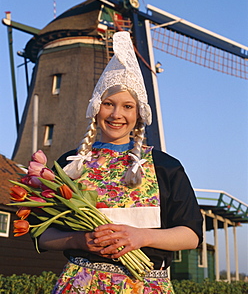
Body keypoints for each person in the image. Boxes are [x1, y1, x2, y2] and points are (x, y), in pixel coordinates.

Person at [38, 31, 203, 293]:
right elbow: (44, 235)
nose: (117, 114)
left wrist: (142, 236)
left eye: (127, 106)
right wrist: (81, 241)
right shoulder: (69, 165)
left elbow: (191, 234)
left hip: (145, 285)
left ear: (139, 113)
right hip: (82, 284)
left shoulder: (164, 166)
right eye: (108, 104)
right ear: (96, 108)